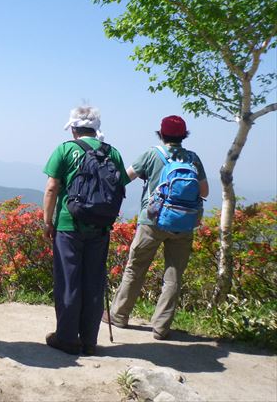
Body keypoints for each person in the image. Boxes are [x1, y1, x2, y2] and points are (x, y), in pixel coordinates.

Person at [105, 115, 209, 340]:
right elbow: (204, 191)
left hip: (151, 221)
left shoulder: (152, 154)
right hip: (183, 224)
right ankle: (161, 328)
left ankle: (119, 315)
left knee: (135, 268)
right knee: (173, 277)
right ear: (184, 135)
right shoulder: (193, 158)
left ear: (161, 134)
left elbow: (123, 178)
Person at [43, 106, 129, 356]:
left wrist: (47, 221)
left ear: (73, 128)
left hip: (69, 225)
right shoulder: (112, 152)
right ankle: (89, 341)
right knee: (94, 281)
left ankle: (67, 338)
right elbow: (120, 186)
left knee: (69, 282)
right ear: (96, 128)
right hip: (100, 226)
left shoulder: (64, 150)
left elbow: (52, 188)